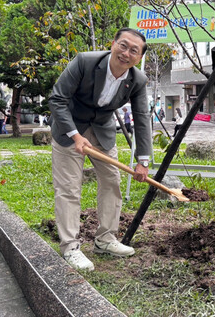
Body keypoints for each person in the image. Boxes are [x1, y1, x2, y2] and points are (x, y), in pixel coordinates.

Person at [49, 27, 153, 272]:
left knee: (111, 181)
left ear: (138, 58)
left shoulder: (137, 80)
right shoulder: (85, 61)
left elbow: (141, 117)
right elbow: (57, 99)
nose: (126, 53)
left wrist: (144, 161)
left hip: (102, 131)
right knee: (69, 188)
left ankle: (105, 239)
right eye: (123, 45)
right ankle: (70, 247)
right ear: (113, 44)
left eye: (134, 51)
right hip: (69, 127)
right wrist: (75, 135)